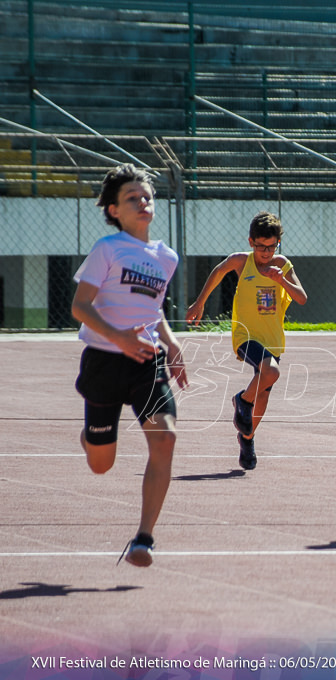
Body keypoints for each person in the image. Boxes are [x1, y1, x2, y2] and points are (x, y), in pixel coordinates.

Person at [71, 164, 189, 567]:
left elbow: (153, 309)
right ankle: (91, 437)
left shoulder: (166, 256)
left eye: (146, 196)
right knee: (101, 465)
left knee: (166, 437)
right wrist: (118, 337)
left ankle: (144, 538)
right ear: (114, 210)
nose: (142, 202)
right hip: (104, 362)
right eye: (131, 198)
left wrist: (171, 344)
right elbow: (80, 306)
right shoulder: (107, 249)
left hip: (146, 362)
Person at [185, 211, 307, 470]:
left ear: (278, 244)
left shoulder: (282, 265)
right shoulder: (243, 262)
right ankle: (241, 400)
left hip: (272, 338)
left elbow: (302, 298)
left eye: (271, 246)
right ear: (251, 242)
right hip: (246, 336)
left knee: (263, 396)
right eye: (261, 246)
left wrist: (281, 280)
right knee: (271, 372)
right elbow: (219, 270)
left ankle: (247, 438)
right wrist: (200, 302)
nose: (266, 252)